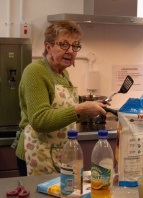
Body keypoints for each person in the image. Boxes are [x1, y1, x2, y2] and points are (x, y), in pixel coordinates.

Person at [11, 20, 109, 176]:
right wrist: (80, 108)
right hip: (36, 153)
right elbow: (40, 120)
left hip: (60, 152)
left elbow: (65, 115)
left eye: (75, 46)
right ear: (48, 46)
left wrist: (90, 108)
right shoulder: (35, 72)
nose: (70, 50)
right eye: (64, 44)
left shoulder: (64, 74)